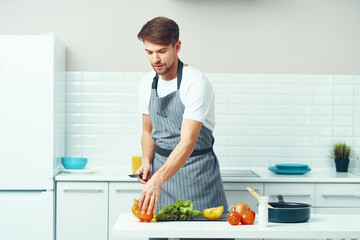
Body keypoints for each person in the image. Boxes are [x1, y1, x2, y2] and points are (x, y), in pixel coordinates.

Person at [136, 16, 231, 240]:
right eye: (149, 52)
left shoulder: (196, 83)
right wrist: (147, 162)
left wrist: (156, 180)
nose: (155, 59)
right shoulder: (146, 83)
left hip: (199, 180)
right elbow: (148, 131)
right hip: (162, 185)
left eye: (161, 51)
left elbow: (187, 142)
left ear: (177, 46)